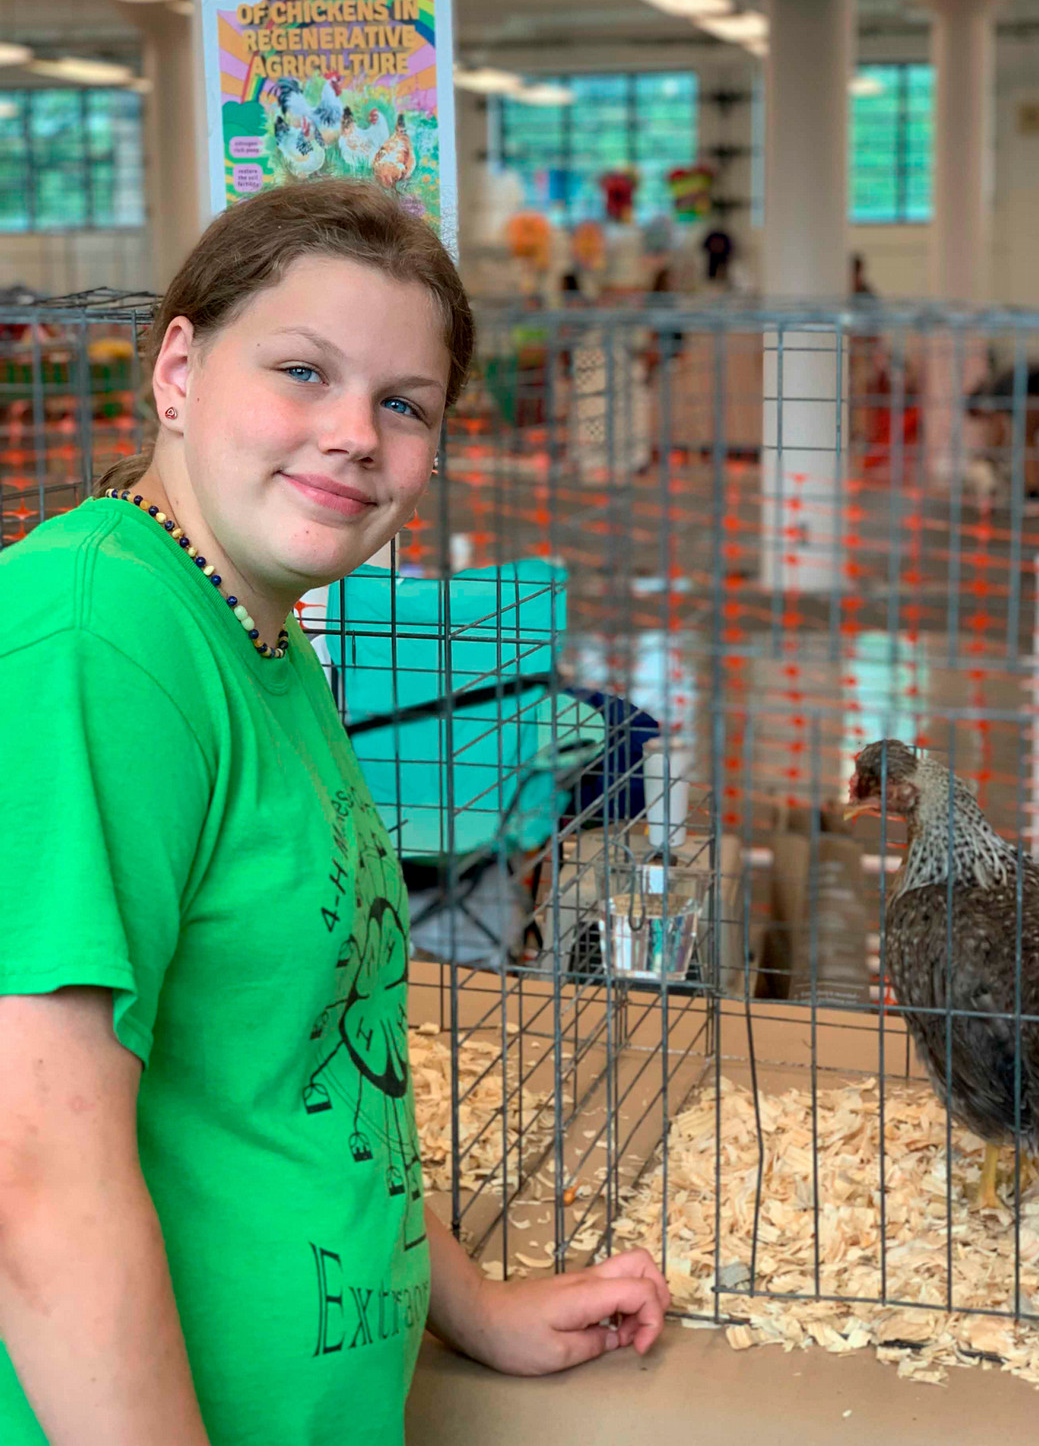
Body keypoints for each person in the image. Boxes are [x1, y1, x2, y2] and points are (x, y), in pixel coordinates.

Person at [0, 181, 668, 1446]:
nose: (356, 433)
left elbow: (317, 1061)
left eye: (403, 403)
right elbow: (34, 1175)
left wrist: (472, 1309)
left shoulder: (266, 631)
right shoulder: (92, 638)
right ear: (181, 369)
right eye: (303, 370)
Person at [967, 298, 1039, 501]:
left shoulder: (995, 393)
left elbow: (998, 429)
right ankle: (1032, 488)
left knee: (1026, 434)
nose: (981, 420)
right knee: (1027, 434)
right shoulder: (998, 385)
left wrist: (989, 456)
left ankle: (1033, 490)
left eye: (977, 416)